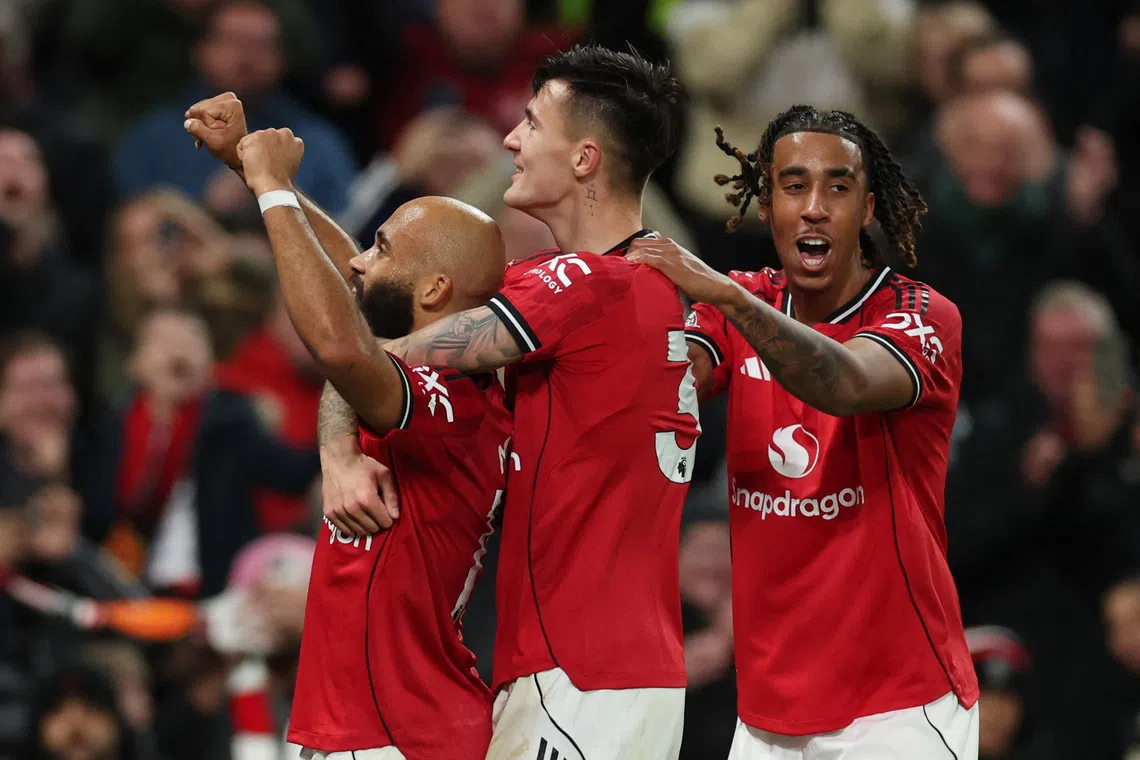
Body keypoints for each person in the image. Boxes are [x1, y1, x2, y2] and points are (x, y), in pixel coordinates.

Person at [319, 44, 697, 758]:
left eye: (530, 124)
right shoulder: (638, 289)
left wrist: (338, 454)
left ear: (584, 158)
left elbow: (366, 351)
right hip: (609, 670)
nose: (510, 140)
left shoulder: (585, 286)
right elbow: (377, 280)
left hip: (582, 673)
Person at [626, 105, 979, 758]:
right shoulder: (735, 302)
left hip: (899, 708)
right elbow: (662, 378)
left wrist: (733, 302)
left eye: (837, 187)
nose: (814, 207)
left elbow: (842, 384)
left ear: (868, 209)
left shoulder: (923, 318)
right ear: (768, 207)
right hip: (768, 715)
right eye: (794, 185)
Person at [185, 97, 512, 759]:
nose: (362, 261)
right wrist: (254, 173)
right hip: (367, 726)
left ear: (432, 291)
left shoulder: (452, 400)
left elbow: (339, 344)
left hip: (401, 733)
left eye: (384, 248)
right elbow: (349, 278)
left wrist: (275, 188)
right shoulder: (432, 374)